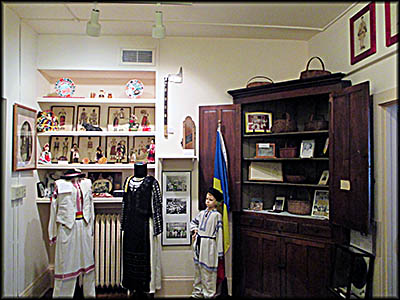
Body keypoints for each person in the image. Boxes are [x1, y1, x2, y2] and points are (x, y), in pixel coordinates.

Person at [48, 168, 96, 298]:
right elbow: (53, 209)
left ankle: (90, 294)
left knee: (88, 264)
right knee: (66, 264)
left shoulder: (86, 184)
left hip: (84, 225)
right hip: (67, 227)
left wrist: (90, 227)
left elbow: (91, 207)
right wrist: (52, 233)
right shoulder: (60, 185)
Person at [121, 163, 163, 296]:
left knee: (148, 257)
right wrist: (123, 224)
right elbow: (124, 204)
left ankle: (147, 287)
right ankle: (131, 286)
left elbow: (157, 205)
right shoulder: (128, 182)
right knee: (129, 257)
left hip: (145, 225)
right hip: (130, 226)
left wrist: (157, 228)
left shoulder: (152, 183)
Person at [190, 187, 224, 298]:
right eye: (206, 199)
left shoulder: (217, 216)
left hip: (210, 246)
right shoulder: (201, 213)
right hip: (199, 244)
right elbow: (193, 223)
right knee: (198, 270)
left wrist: (220, 252)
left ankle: (209, 294)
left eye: (211, 199)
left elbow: (219, 234)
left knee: (208, 272)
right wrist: (195, 230)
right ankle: (197, 293)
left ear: (216, 202)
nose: (207, 201)